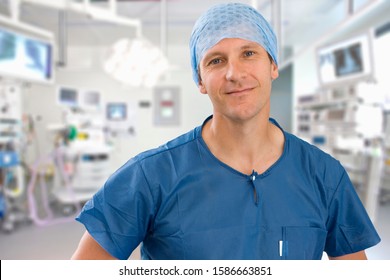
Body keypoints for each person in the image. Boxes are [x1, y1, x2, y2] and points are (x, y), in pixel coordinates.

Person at [71, 2, 380, 260]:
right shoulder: (150, 177)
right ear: (201, 81)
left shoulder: (324, 175)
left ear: (273, 65)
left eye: (249, 53)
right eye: (216, 61)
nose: (234, 74)